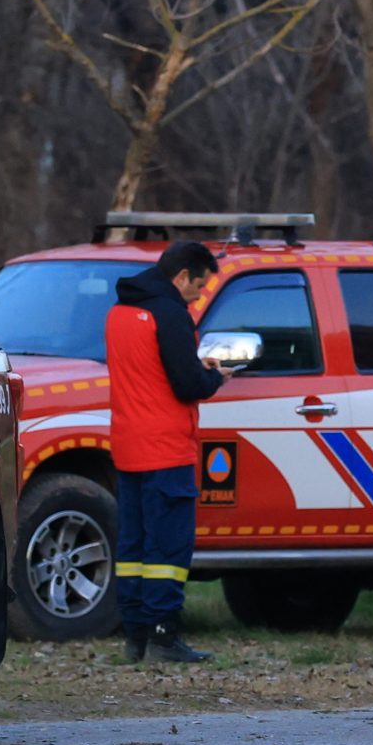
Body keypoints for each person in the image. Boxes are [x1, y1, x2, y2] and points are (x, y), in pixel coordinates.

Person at [106, 241, 226, 664]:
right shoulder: (170, 314)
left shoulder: (120, 312)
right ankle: (164, 635)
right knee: (169, 550)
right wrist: (216, 378)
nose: (199, 294)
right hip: (167, 449)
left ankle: (137, 635)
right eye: (199, 285)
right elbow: (187, 384)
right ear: (181, 277)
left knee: (133, 547)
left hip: (128, 446)